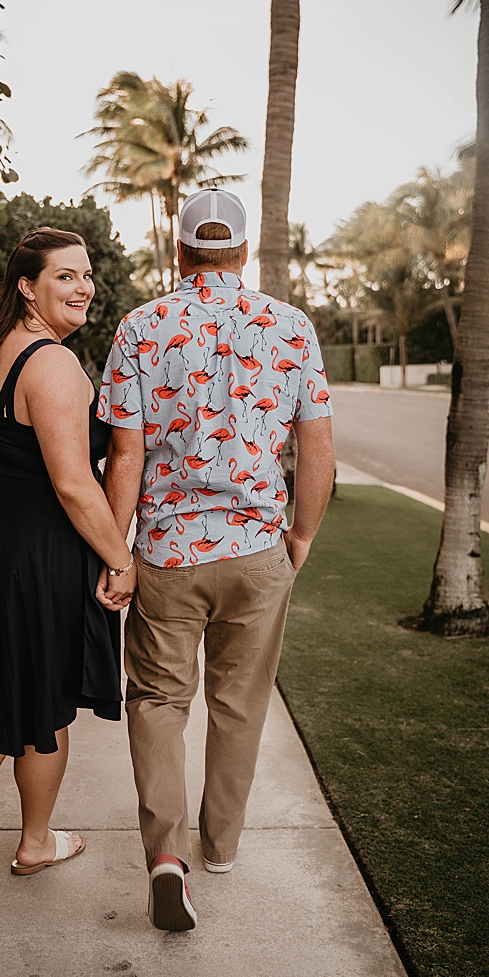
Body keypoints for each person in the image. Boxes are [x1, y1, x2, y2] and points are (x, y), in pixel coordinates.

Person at [97, 188, 335, 932]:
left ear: (180, 251)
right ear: (243, 251)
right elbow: (317, 444)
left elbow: (125, 456)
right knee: (240, 702)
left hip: (168, 554)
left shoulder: (142, 326)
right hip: (258, 549)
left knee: (158, 701)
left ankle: (167, 857)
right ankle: (221, 846)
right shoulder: (290, 326)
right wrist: (301, 536)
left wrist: (116, 552)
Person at [0, 227, 133, 882]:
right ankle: (35, 841)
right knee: (45, 693)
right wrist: (120, 559)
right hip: (37, 550)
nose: (83, 286)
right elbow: (73, 484)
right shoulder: (53, 365)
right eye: (65, 276)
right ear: (28, 287)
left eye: (85, 274)